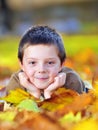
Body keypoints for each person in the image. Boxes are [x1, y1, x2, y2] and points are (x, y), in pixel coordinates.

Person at [5, 25, 86, 100]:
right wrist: (34, 94)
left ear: (61, 64)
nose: (41, 69)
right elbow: (16, 114)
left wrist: (49, 95)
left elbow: (69, 113)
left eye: (50, 63)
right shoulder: (16, 84)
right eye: (33, 62)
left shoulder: (71, 82)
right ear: (21, 64)